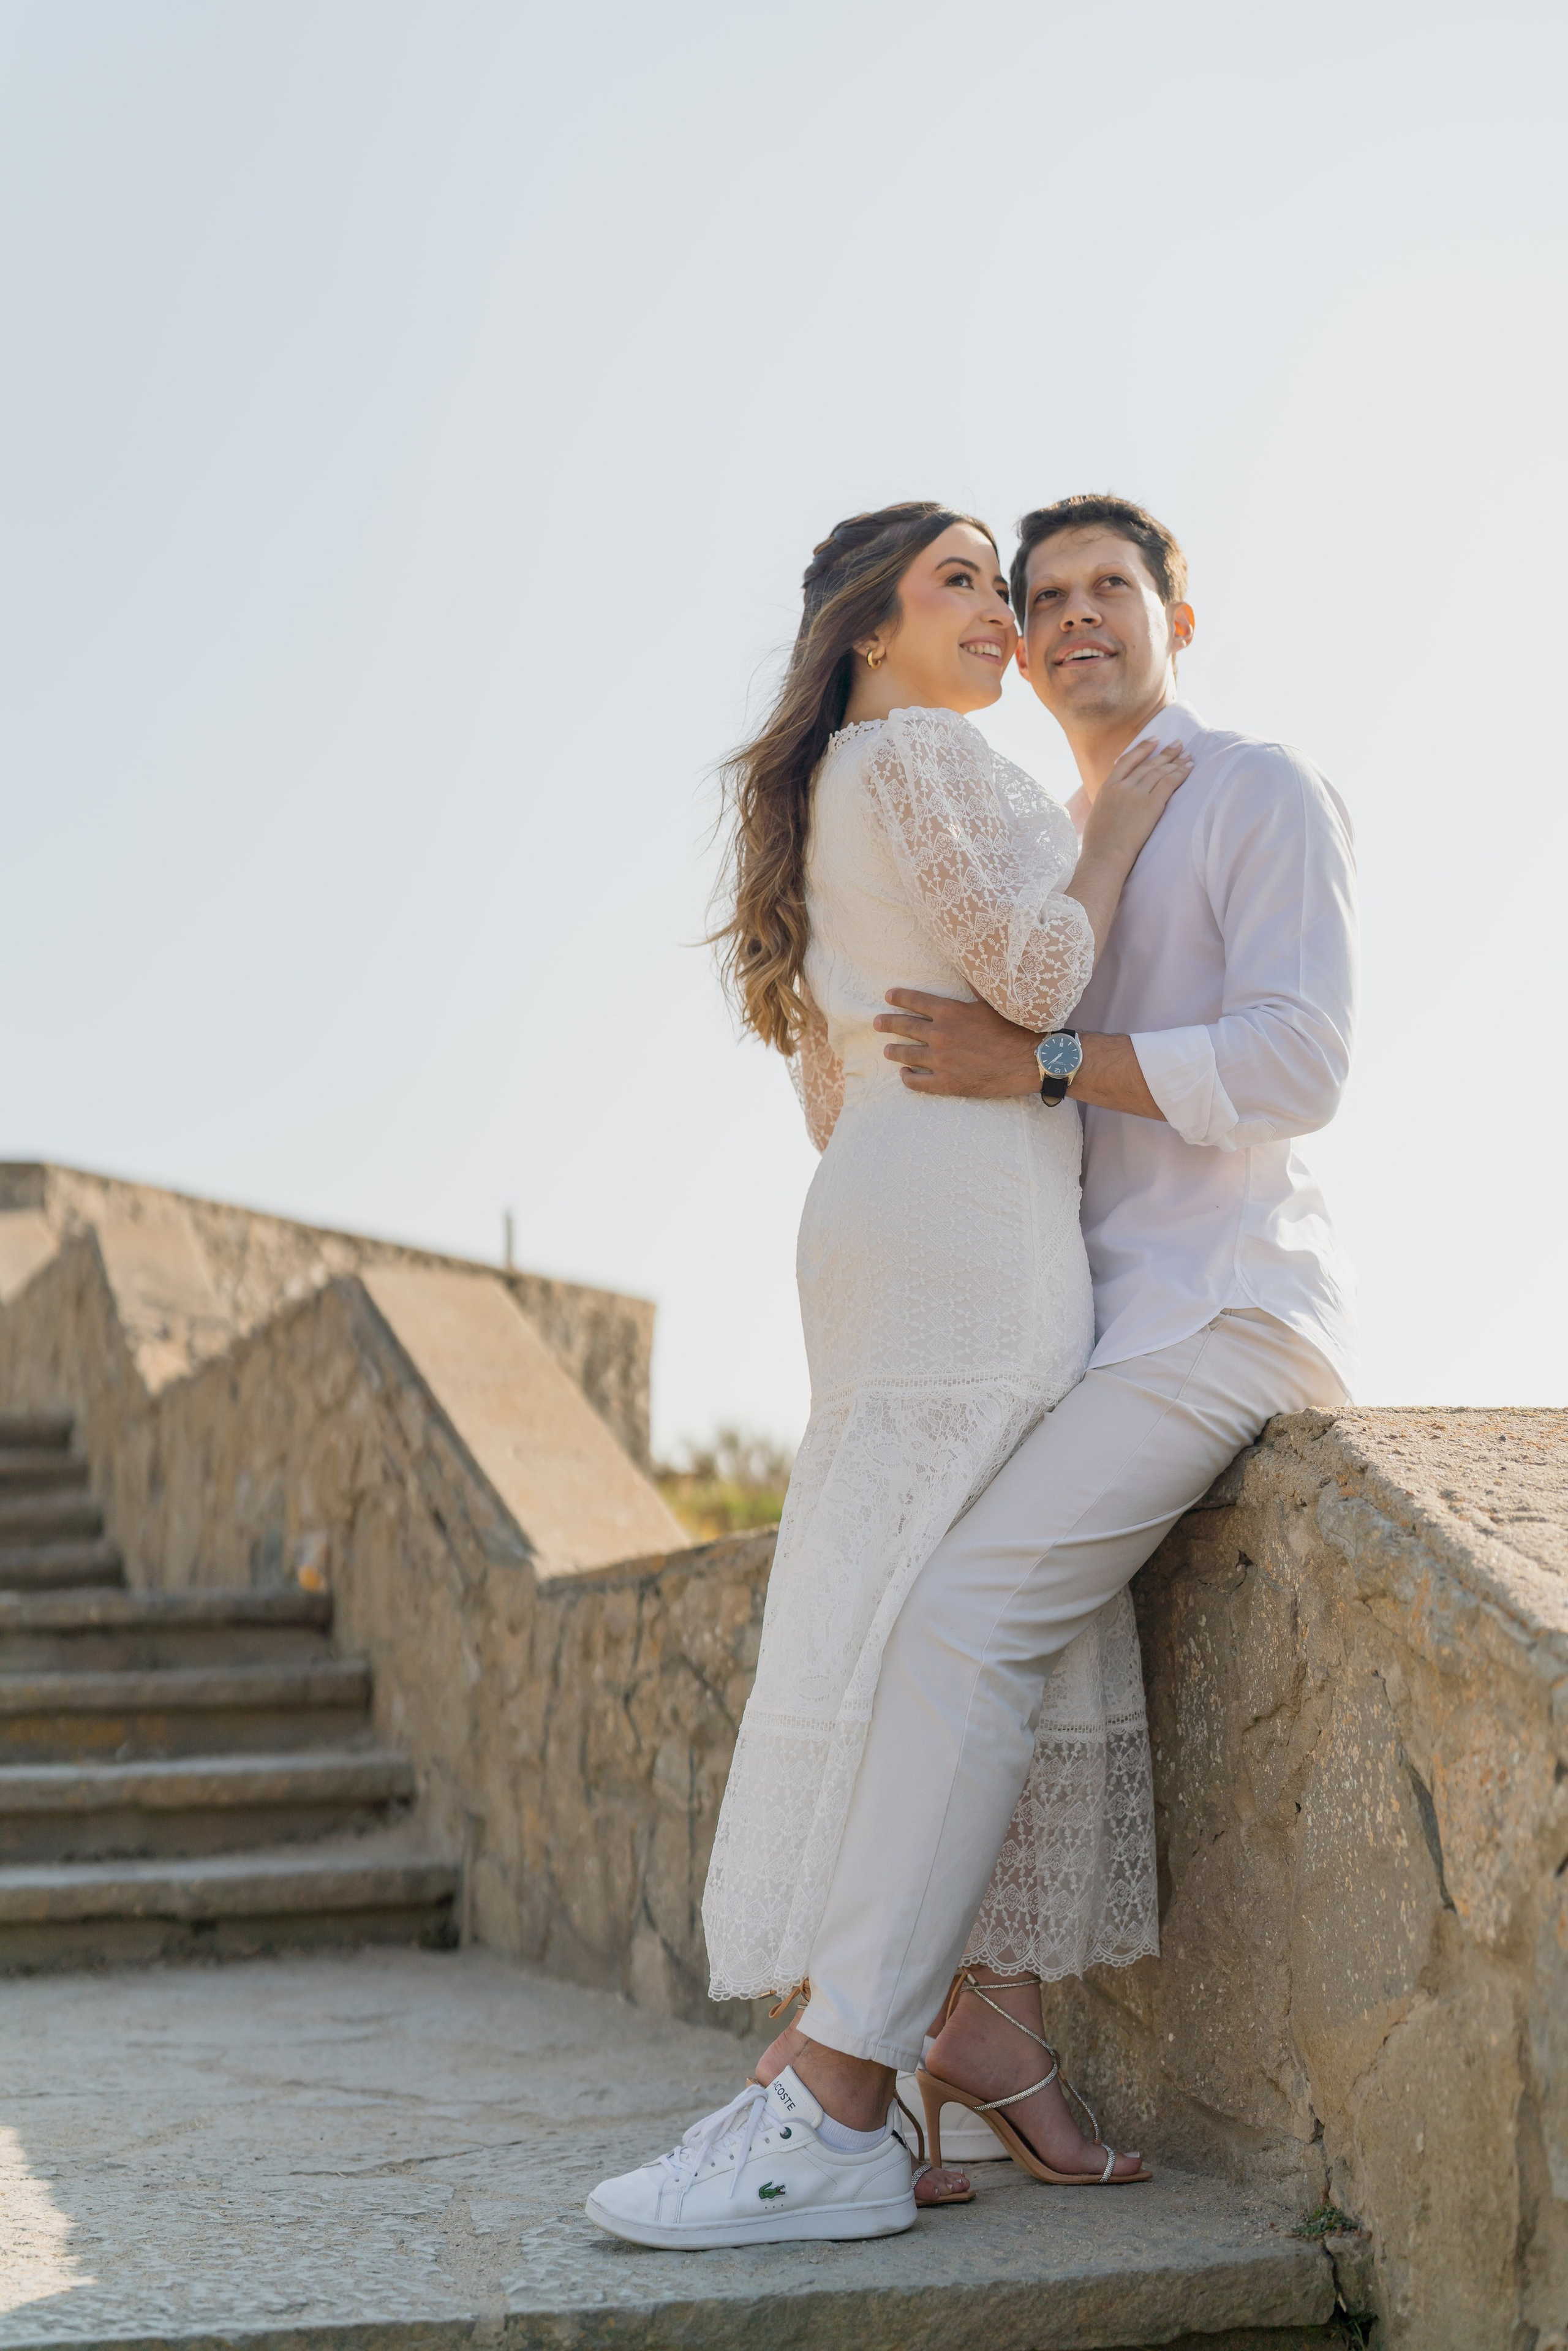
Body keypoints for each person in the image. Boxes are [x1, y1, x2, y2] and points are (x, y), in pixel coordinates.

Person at [586, 500, 1189, 2249]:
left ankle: (953, 2043)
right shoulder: (921, 754)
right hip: (973, 1233)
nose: (1001, 613)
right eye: (963, 583)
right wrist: (1107, 835)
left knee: (911, 1606)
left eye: (1004, 585)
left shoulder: (828, 797)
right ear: (871, 626)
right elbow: (1037, 972)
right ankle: (849, 2068)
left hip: (878, 1214)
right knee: (972, 1622)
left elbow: (831, 1090)